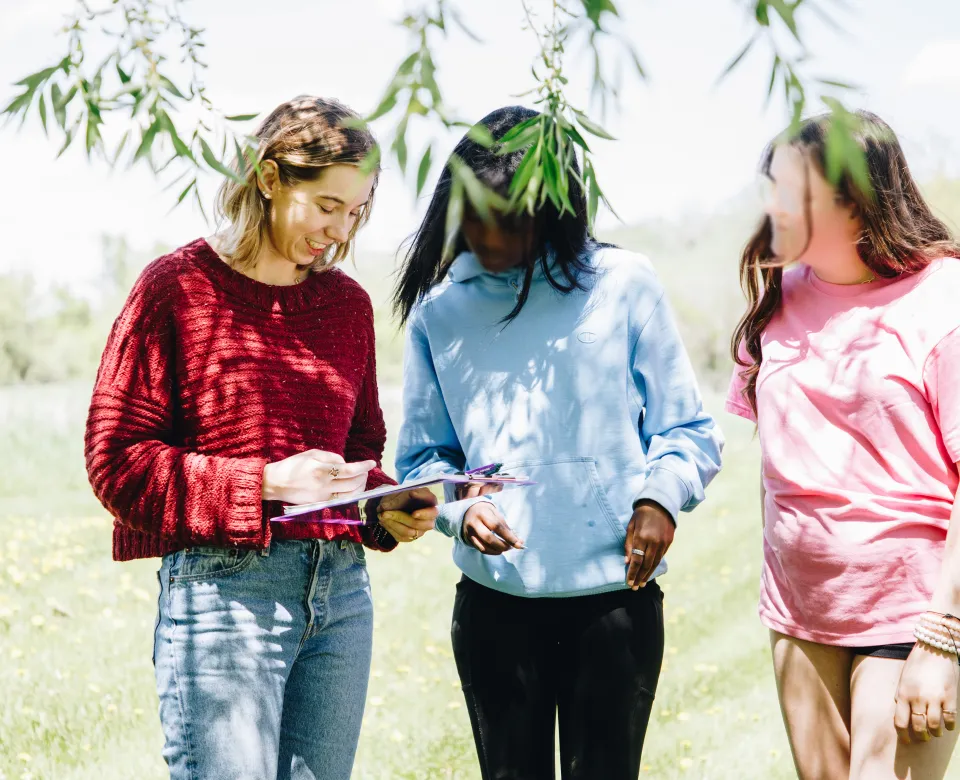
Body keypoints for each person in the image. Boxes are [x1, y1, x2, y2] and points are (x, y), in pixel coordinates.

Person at [84, 95, 437, 780]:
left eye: (356, 213)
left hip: (339, 597)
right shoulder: (175, 291)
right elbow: (116, 464)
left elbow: (357, 459)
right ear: (270, 180)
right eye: (327, 206)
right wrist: (269, 482)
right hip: (223, 595)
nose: (339, 231)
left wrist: (385, 507)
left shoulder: (347, 309)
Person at [393, 105, 724, 779]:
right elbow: (422, 462)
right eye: (475, 212)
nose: (487, 233)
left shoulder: (624, 284)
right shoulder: (439, 313)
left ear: (556, 206)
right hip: (494, 609)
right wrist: (460, 508)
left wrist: (659, 500)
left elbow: (686, 430)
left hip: (614, 603)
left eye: (509, 215)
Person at [726, 110, 960, 779]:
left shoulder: (945, 299)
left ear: (855, 202)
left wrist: (943, 640)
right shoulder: (778, 297)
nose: (769, 205)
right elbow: (773, 453)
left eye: (788, 189)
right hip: (801, 610)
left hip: (913, 610)